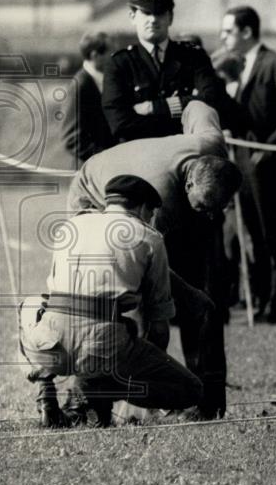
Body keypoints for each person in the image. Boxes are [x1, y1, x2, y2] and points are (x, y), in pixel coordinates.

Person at [67, 101, 242, 419]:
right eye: (204, 208)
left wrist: (165, 108)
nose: (212, 216)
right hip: (91, 193)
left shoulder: (212, 144)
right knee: (120, 301)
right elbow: (151, 275)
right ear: (188, 186)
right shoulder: (162, 205)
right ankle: (97, 398)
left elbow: (198, 106)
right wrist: (186, 296)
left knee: (204, 301)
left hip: (142, 182)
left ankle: (208, 400)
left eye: (221, 208)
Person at [20, 175, 202, 427]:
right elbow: (159, 324)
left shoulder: (71, 225)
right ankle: (96, 393)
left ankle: (45, 387)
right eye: (151, 212)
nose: (151, 218)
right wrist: (141, 371)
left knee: (30, 305)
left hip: (49, 346)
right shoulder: (150, 238)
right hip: (104, 346)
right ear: (141, 208)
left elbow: (52, 292)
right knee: (191, 389)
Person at [220, 6, 276, 323]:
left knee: (272, 235)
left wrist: (268, 149)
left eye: (228, 31)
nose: (223, 37)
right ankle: (260, 296)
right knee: (255, 234)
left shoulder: (275, 63)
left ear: (246, 32)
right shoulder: (241, 66)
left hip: (268, 166)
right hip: (245, 166)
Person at [102, 0, 226, 142]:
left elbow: (213, 101)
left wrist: (155, 108)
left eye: (159, 13)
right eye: (146, 12)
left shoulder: (193, 57)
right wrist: (180, 116)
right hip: (139, 157)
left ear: (171, 17)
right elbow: (120, 124)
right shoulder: (119, 64)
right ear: (132, 17)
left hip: (184, 156)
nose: (153, 19)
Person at [61, 31, 115, 163]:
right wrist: (108, 158)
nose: (114, 57)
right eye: (110, 53)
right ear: (95, 56)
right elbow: (72, 139)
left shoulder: (104, 81)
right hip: (90, 171)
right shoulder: (80, 86)